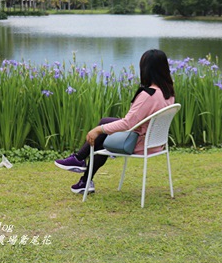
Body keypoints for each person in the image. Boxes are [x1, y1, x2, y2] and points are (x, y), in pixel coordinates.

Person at [54, 49, 176, 194]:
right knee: (105, 123)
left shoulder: (148, 95)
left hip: (139, 144)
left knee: (102, 132)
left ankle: (80, 162)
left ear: (146, 69)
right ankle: (83, 175)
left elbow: (127, 124)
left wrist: (98, 130)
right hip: (155, 143)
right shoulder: (168, 92)